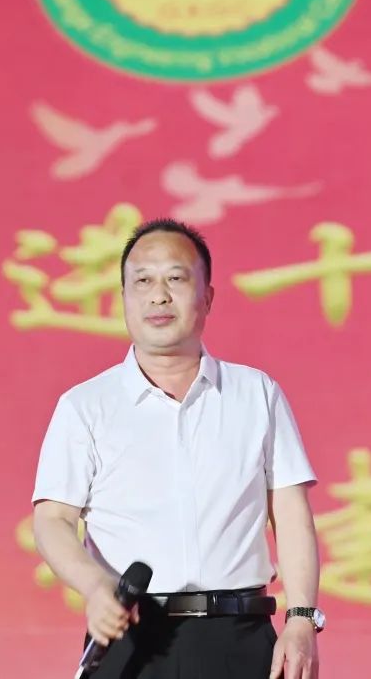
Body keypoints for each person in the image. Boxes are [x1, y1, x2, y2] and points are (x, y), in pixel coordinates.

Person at [31, 218, 324, 679]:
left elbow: (289, 513)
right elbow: (53, 520)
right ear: (123, 297)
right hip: (132, 639)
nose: (158, 296)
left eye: (175, 278)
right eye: (142, 281)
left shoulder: (256, 394)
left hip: (239, 636)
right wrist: (96, 587)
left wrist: (302, 619)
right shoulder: (85, 406)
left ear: (207, 297)